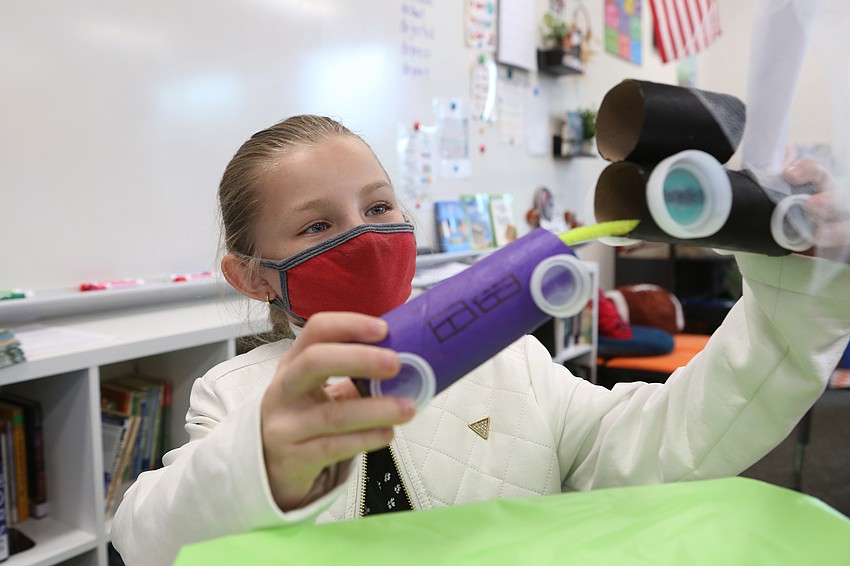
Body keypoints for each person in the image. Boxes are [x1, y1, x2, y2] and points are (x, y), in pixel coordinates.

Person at [111, 115, 850, 565]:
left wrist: (791, 301)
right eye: (317, 226)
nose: (366, 236)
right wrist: (261, 460)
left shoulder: (510, 359)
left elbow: (667, 437)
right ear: (251, 276)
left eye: (378, 206)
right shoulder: (237, 398)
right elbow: (148, 541)